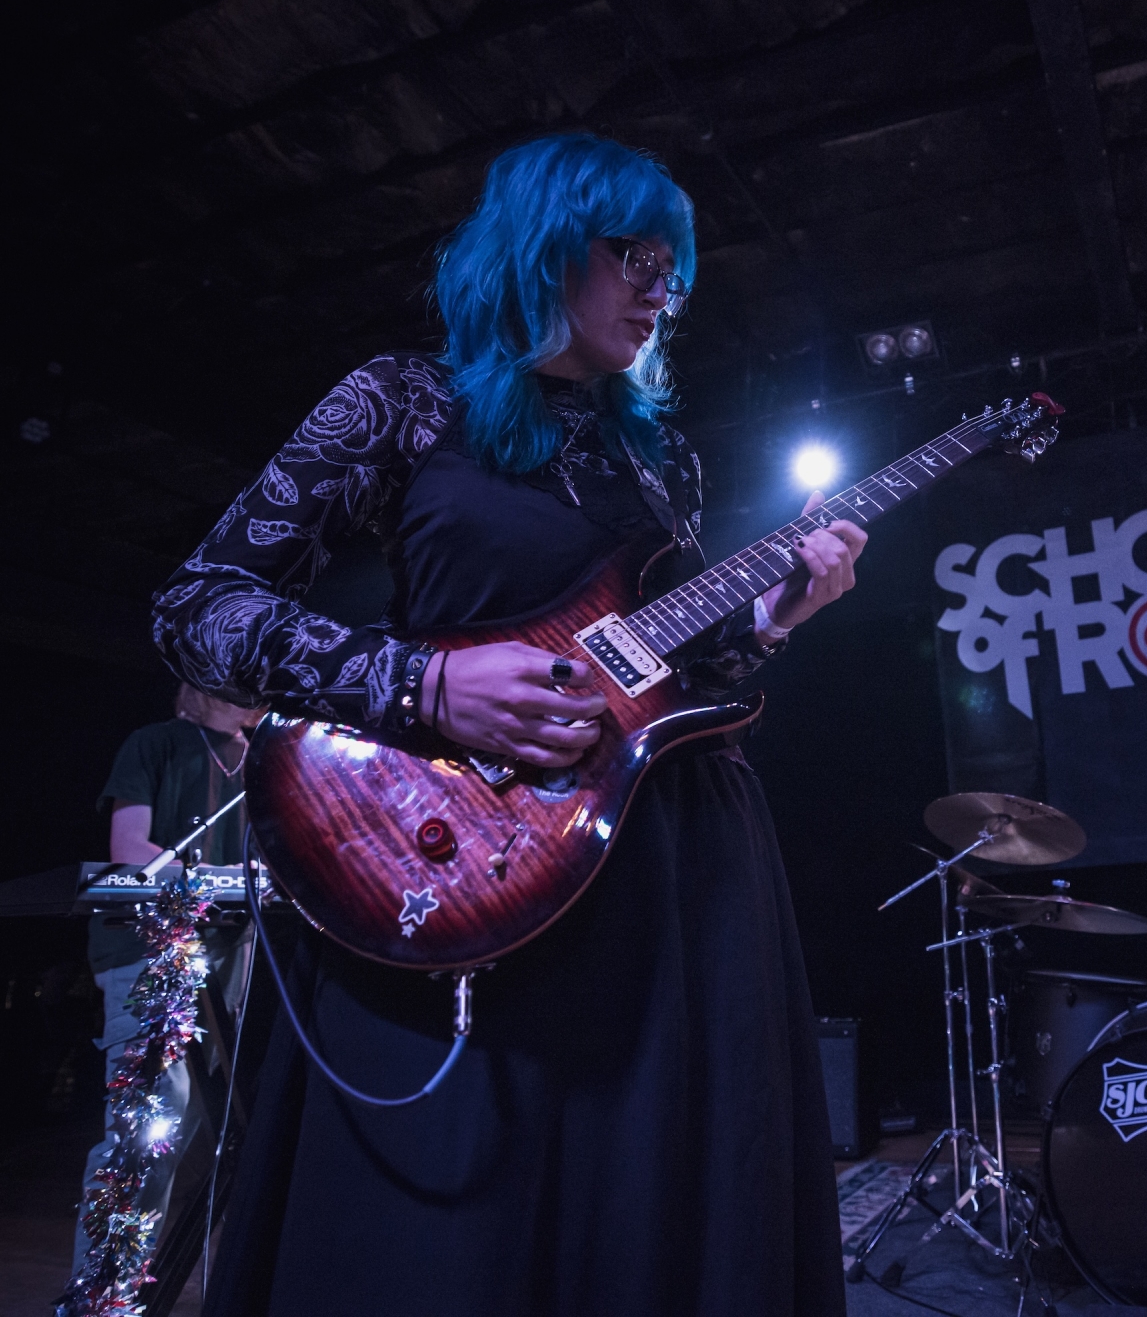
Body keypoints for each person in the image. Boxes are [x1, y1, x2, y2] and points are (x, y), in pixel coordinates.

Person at [151, 134, 864, 1315]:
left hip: (672, 867)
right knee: (455, 1224)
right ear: (541, 246)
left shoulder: (661, 458)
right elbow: (197, 611)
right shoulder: (401, 401)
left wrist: (780, 617)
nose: (663, 287)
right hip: (457, 850)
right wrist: (423, 686)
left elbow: (673, 673)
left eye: (676, 267)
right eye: (635, 253)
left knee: (658, 1203)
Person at [72, 684, 262, 1273]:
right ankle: (102, 1292)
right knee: (152, 1115)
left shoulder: (268, 759)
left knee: (205, 1126)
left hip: (233, 948)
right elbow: (131, 849)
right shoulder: (155, 743)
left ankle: (146, 1280)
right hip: (152, 943)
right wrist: (229, 872)